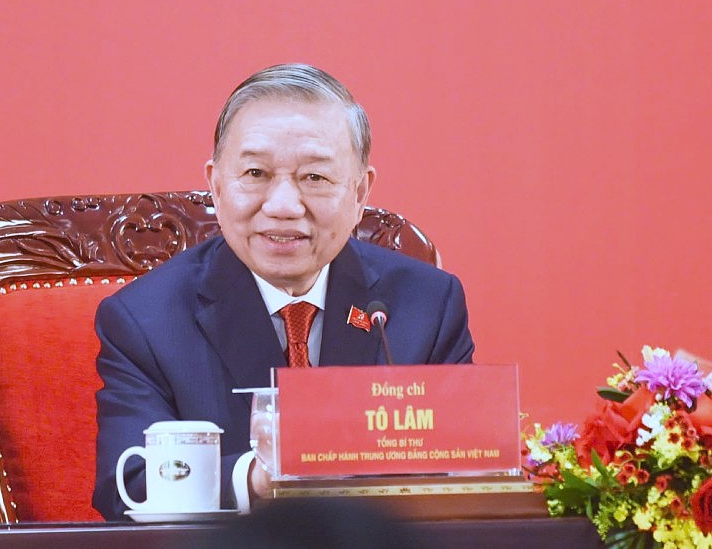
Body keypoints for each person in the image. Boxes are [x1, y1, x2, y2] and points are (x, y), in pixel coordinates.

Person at [92, 64, 475, 520]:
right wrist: (258, 478)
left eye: (315, 178)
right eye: (255, 173)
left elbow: (467, 471)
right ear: (216, 186)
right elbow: (129, 485)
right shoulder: (145, 320)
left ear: (359, 193)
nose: (283, 206)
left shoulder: (427, 305)